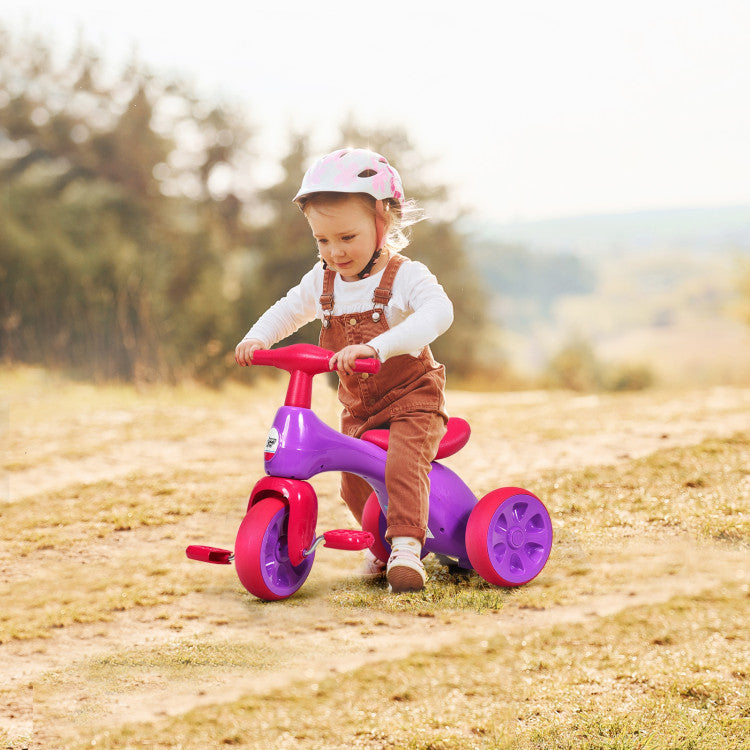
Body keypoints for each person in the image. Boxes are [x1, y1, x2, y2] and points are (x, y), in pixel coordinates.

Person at [235, 147, 453, 593]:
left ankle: (408, 545)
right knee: (353, 485)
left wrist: (380, 346)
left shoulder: (405, 276)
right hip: (360, 408)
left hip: (414, 400)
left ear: (381, 221)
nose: (334, 252)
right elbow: (290, 309)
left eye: (347, 238)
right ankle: (379, 546)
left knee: (402, 463)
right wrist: (258, 339)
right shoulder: (323, 280)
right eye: (322, 241)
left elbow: (438, 312)